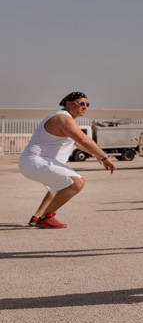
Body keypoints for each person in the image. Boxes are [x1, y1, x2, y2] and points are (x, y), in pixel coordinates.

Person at [20, 92, 115, 228]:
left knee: (57, 188)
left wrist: (97, 154)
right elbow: (84, 139)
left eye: (87, 104)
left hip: (34, 162)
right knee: (76, 182)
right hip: (36, 161)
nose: (85, 107)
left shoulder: (67, 120)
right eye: (81, 103)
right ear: (68, 104)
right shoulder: (63, 118)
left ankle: (37, 217)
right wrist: (105, 157)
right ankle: (46, 217)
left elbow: (77, 143)